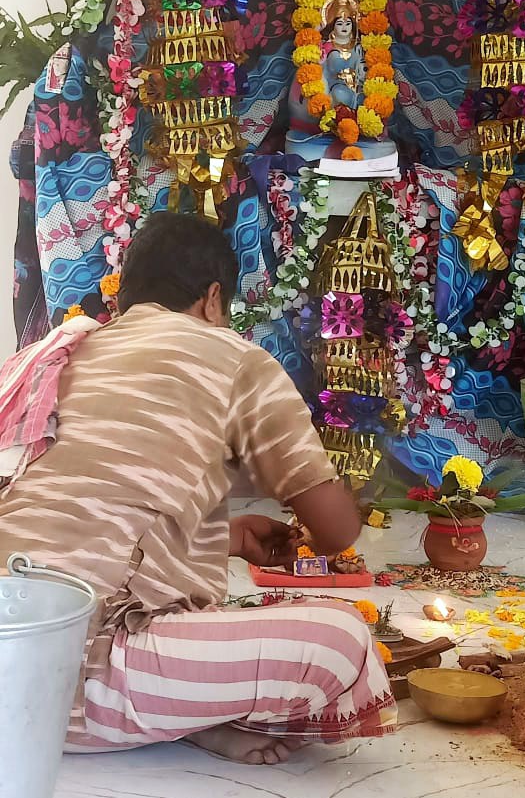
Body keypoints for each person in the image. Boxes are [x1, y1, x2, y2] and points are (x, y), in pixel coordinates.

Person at [0, 212, 396, 765]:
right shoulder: (232, 357)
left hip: (9, 653)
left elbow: (100, 512)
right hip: (69, 693)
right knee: (341, 637)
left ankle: (186, 719)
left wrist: (228, 537)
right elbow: (335, 531)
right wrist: (323, 520)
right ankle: (178, 711)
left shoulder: (62, 354)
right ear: (213, 300)